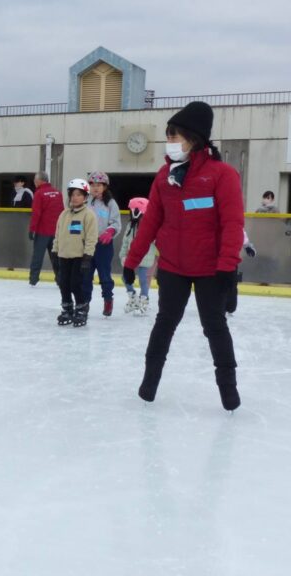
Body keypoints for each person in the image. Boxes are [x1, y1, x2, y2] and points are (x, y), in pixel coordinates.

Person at [123, 101, 244, 411]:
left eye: (175, 134)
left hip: (210, 269)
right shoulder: (165, 176)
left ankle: (229, 392)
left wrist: (228, 266)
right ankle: (149, 383)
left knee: (214, 326)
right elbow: (150, 222)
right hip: (174, 267)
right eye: (169, 134)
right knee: (164, 323)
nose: (170, 140)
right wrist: (131, 261)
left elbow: (232, 223)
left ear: (194, 137)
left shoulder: (222, 175)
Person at [52, 179, 98, 328]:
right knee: (63, 283)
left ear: (85, 197)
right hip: (63, 255)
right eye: (72, 194)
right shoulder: (64, 214)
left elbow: (91, 238)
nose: (75, 197)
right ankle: (67, 309)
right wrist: (55, 252)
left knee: (75, 284)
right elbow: (58, 235)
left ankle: (81, 309)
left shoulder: (88, 215)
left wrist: (87, 257)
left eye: (78, 194)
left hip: (79, 256)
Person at [83, 171, 122, 316]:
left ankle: (108, 299)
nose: (95, 188)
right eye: (92, 185)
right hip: (87, 245)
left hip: (103, 245)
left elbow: (116, 222)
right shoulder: (85, 201)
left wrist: (110, 231)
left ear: (105, 186)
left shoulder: (110, 203)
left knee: (104, 275)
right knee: (85, 276)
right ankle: (84, 303)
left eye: (99, 185)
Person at [119, 197, 156, 316]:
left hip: (146, 257)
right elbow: (125, 241)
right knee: (125, 278)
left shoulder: (150, 225)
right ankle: (133, 297)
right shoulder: (130, 225)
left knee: (143, 279)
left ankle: (144, 300)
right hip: (131, 257)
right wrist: (123, 255)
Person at [28, 171, 64, 286]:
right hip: (56, 232)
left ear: (39, 181)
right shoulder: (58, 193)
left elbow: (36, 214)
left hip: (42, 231)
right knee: (56, 256)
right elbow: (62, 212)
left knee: (38, 256)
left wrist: (32, 229)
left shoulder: (39, 194)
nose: (34, 182)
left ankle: (33, 279)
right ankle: (60, 279)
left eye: (35, 179)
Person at [225, 230, 257, 315]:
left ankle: (230, 307)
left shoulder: (232, 221)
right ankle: (221, 306)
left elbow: (238, 229)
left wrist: (247, 246)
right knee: (215, 283)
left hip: (230, 260)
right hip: (214, 259)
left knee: (231, 283)